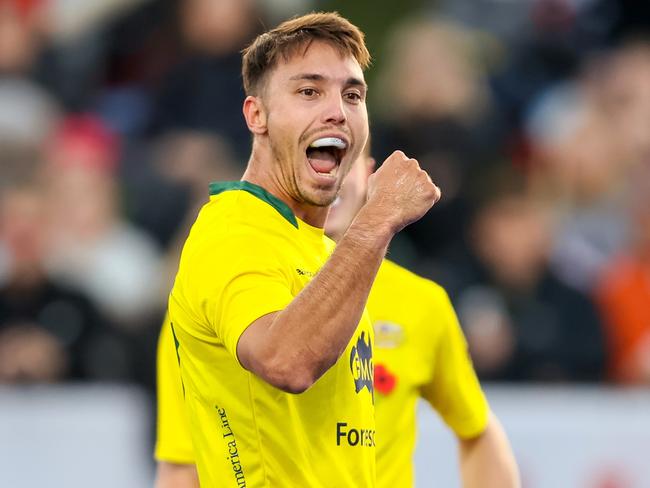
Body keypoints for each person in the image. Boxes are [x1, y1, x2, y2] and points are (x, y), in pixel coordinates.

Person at [165, 12, 440, 487]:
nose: (337, 110)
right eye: (309, 91)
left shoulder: (314, 245)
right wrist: (376, 219)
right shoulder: (233, 230)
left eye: (352, 95)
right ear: (257, 115)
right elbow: (285, 361)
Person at [155, 146, 520, 487]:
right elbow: (182, 464)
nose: (331, 178)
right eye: (314, 163)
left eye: (343, 162)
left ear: (369, 174)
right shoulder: (218, 291)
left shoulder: (421, 302)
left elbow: (478, 429)